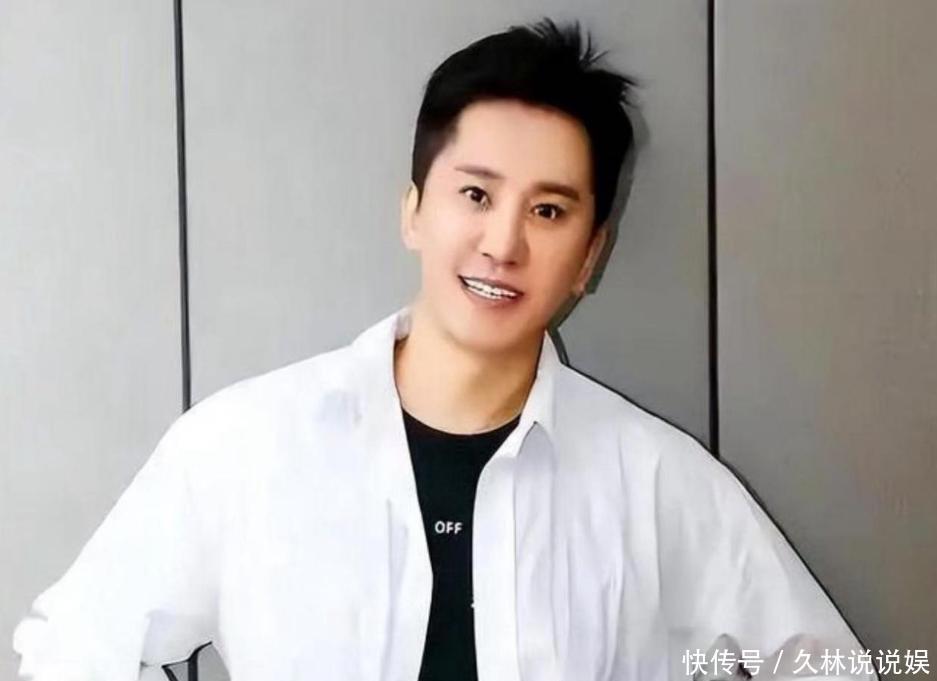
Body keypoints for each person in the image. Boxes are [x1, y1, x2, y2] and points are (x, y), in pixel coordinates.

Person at [12, 17, 875, 681]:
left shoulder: (656, 482)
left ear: (589, 256)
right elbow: (68, 646)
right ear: (413, 211)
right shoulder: (243, 446)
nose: (502, 244)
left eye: (548, 211)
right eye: (475, 194)